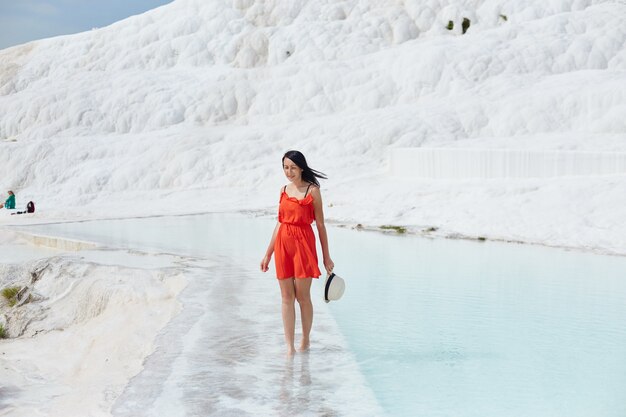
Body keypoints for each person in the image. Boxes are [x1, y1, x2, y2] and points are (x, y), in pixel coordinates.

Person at [260, 150, 334, 356]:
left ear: (301, 167)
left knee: (302, 297)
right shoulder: (283, 190)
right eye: (285, 167)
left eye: (293, 167)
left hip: (303, 245)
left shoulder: (313, 191)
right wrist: (268, 253)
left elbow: (320, 226)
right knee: (286, 297)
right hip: (284, 244)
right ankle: (289, 347)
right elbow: (280, 222)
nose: (289, 171)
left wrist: (326, 256)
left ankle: (305, 339)